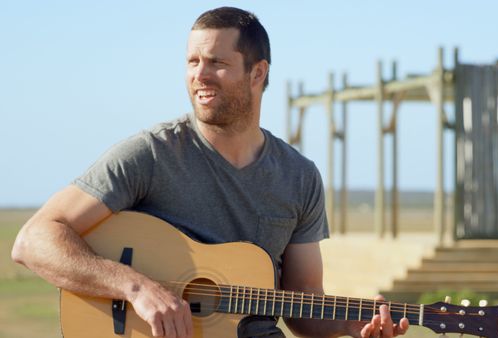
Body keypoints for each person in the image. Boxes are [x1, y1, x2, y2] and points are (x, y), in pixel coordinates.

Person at [12, 7, 409, 338]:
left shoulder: (299, 176)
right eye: (192, 62)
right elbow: (33, 241)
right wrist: (136, 288)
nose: (199, 76)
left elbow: (303, 303)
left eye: (217, 63)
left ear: (258, 73)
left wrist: (352, 323)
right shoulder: (151, 154)